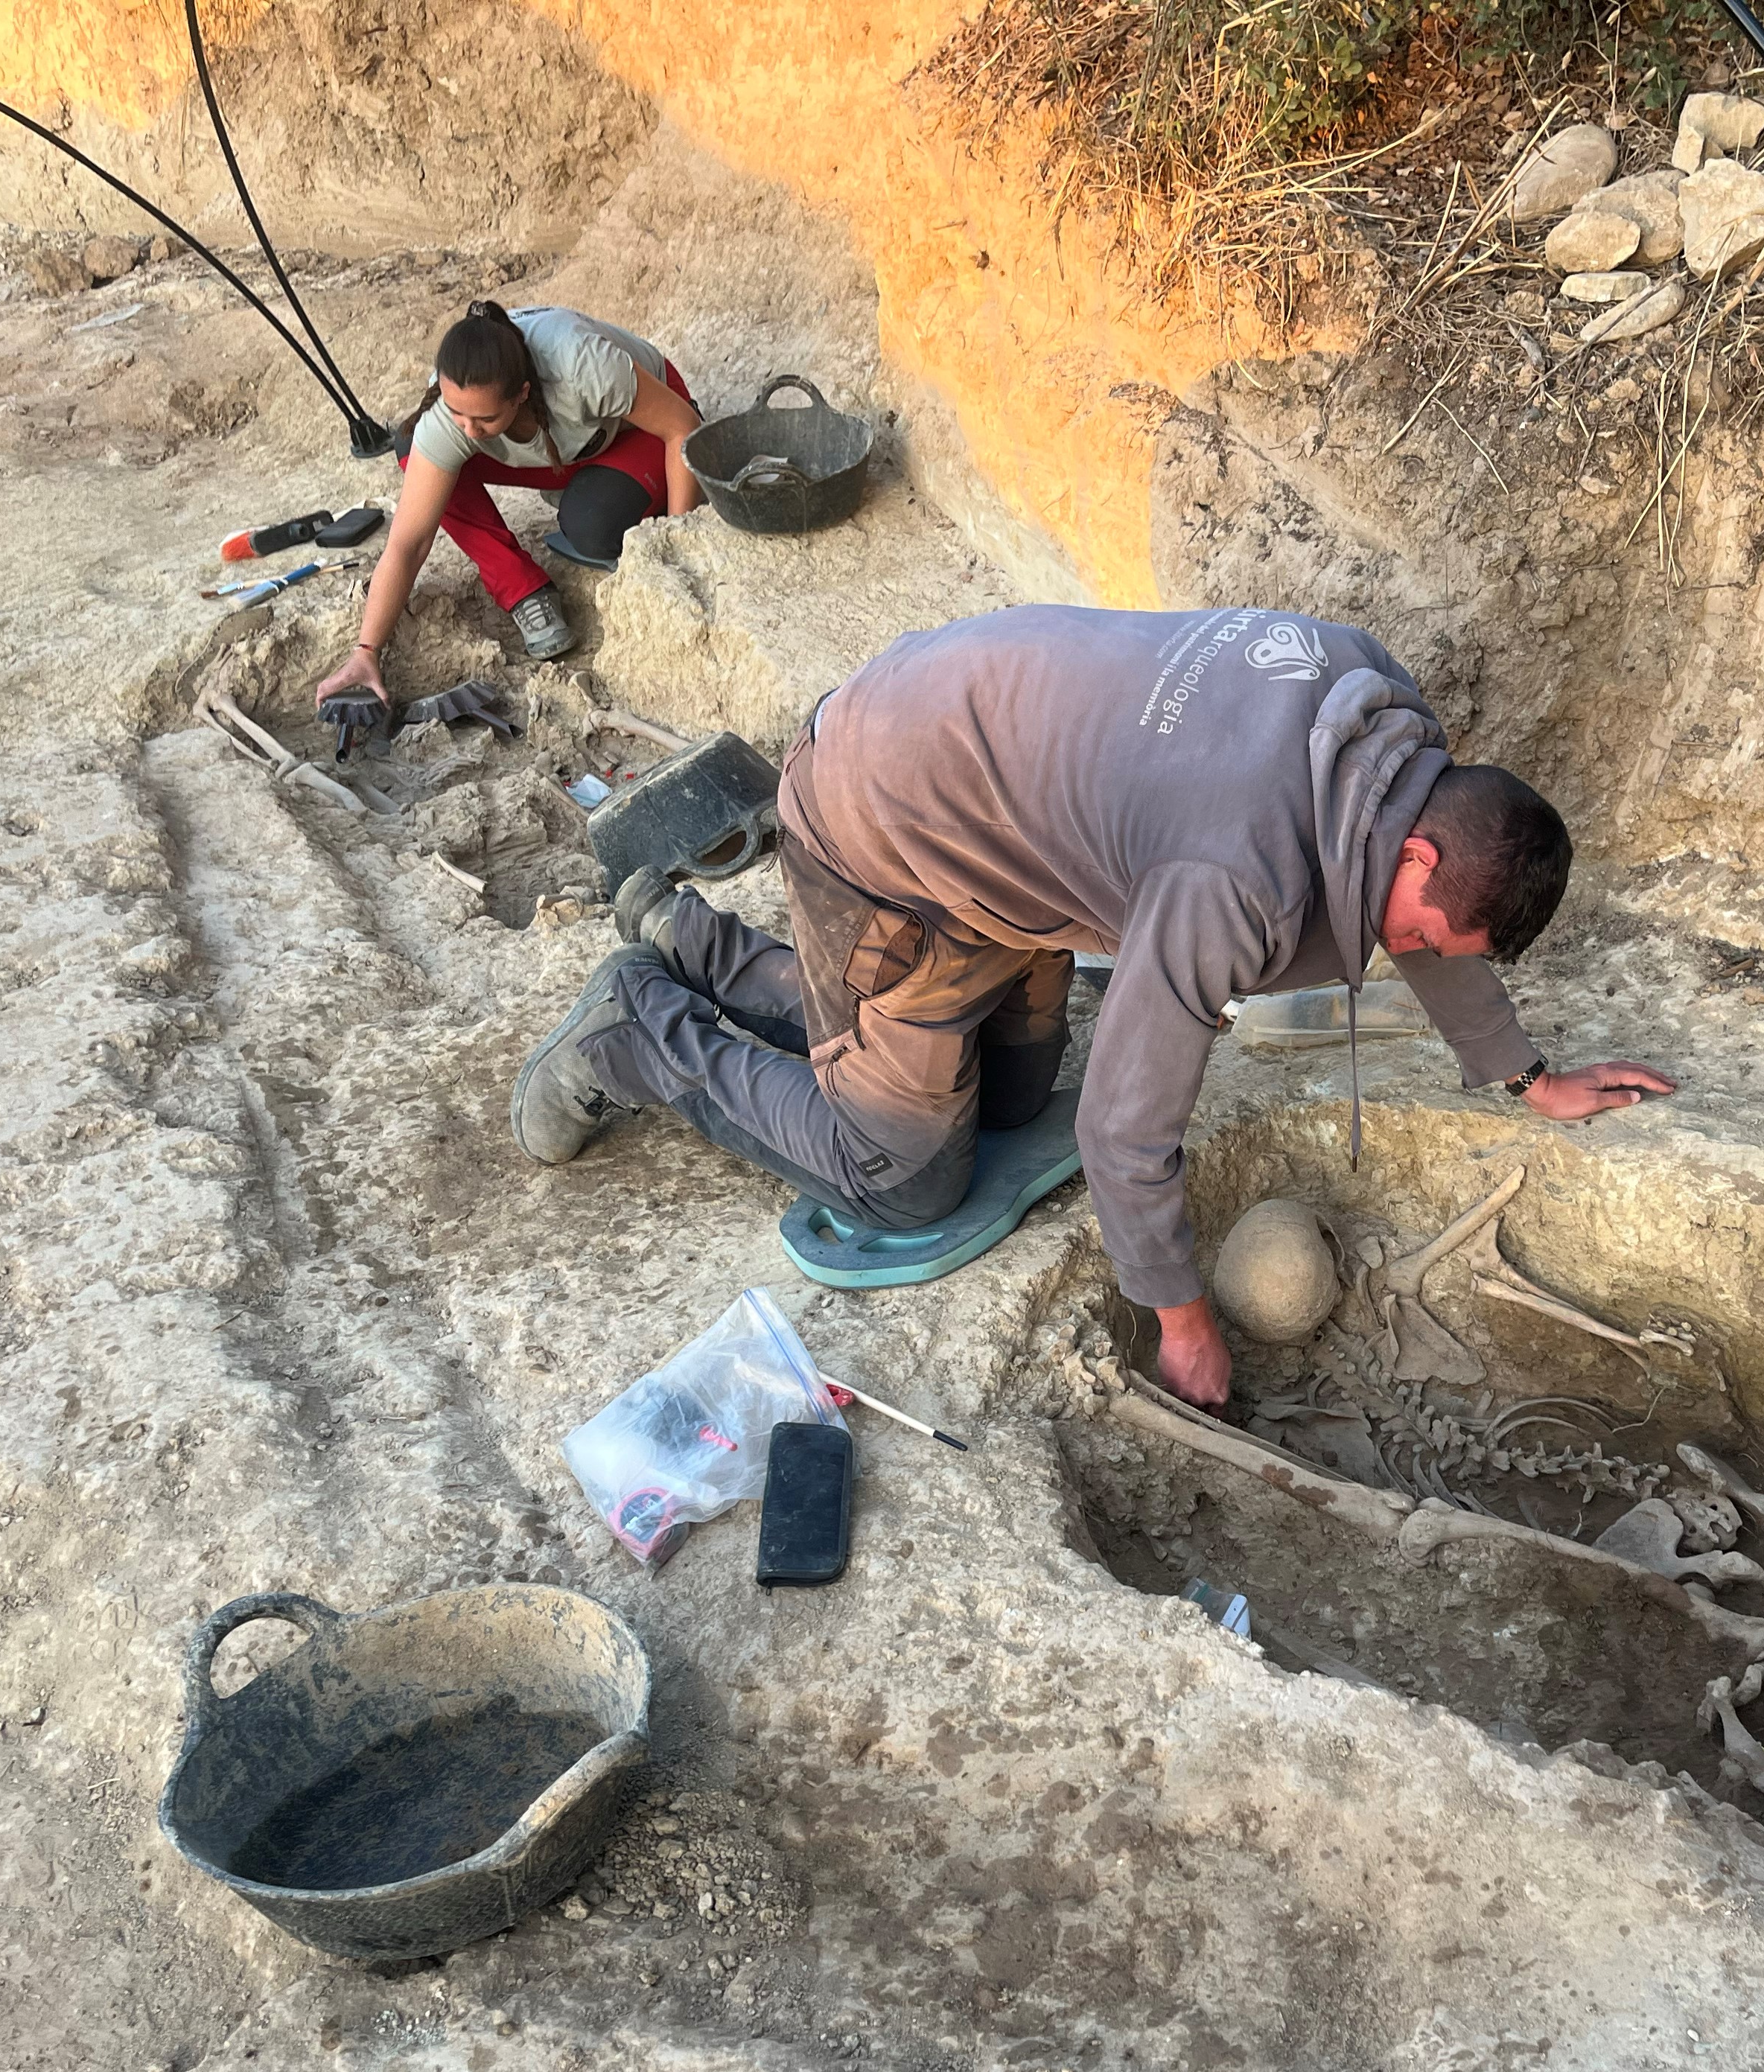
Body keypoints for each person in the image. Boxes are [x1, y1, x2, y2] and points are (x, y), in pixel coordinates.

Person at [510, 605, 1675, 1409]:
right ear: (1415, 853)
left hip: (998, 825)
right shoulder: (1238, 879)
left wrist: (1523, 1071)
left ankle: (694, 938)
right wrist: (1179, 1317)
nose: (1410, 952)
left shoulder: (1376, 726)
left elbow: (1430, 912)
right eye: (1417, 932)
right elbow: (1123, 1131)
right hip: (886, 827)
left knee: (1016, 1100)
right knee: (904, 1176)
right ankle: (633, 1027)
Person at [315, 301, 701, 705]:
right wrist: (366, 650)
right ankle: (523, 589)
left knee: (594, 526)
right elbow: (408, 543)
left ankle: (603, 490)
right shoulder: (457, 409)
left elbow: (681, 428)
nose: (469, 429)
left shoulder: (581, 366)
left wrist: (676, 543)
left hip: (640, 425)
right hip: (567, 445)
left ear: (522, 395)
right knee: (416, 450)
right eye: (458, 414)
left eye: (484, 420)